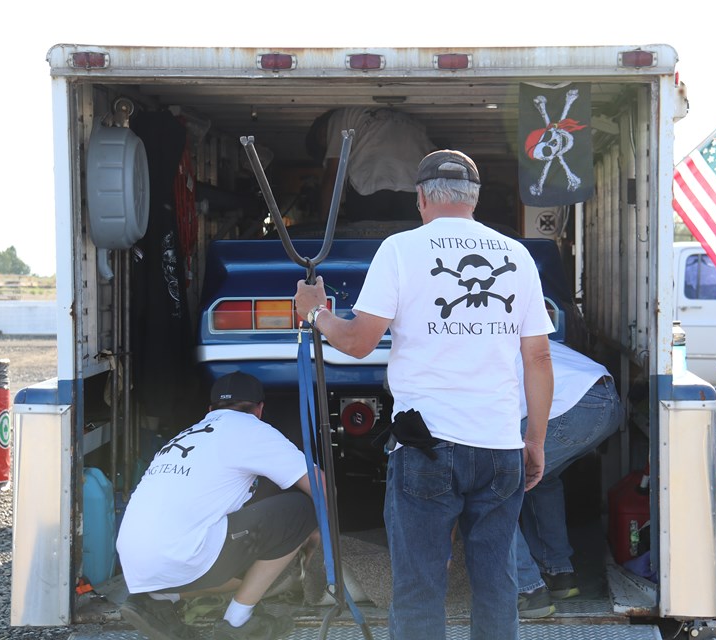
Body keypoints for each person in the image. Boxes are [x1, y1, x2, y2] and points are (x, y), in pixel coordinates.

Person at [294, 149, 554, 640]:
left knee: (418, 588)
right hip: (500, 448)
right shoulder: (516, 255)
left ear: (421, 198)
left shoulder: (400, 249)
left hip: (426, 448)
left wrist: (316, 313)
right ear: (474, 199)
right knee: (497, 585)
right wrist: (534, 439)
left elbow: (357, 342)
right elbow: (538, 358)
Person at [116, 371, 321, 640]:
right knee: (301, 511)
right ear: (259, 410)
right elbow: (322, 488)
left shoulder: (186, 436)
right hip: (185, 556)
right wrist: (319, 536)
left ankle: (157, 598)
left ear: (210, 409)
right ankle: (238, 622)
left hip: (135, 563)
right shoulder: (250, 428)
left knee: (249, 554)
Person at [515, 340, 622, 618]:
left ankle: (528, 591)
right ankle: (559, 574)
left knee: (490, 490)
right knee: (541, 478)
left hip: (569, 407)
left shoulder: (458, 360)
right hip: (605, 398)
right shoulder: (501, 331)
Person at [306, 107, 436, 222]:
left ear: (322, 129)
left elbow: (333, 176)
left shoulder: (339, 117)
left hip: (370, 189)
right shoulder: (412, 122)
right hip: (412, 193)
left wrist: (322, 223)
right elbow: (434, 157)